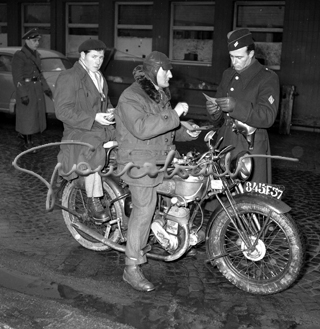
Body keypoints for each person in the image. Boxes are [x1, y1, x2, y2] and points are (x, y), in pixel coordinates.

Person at [115, 51, 201, 292]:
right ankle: (131, 268)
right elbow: (143, 128)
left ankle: (172, 235)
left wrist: (185, 131)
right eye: (167, 70)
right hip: (138, 162)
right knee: (144, 208)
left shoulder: (158, 94)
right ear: (154, 71)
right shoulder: (131, 96)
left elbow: (164, 129)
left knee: (187, 186)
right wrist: (175, 115)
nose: (171, 75)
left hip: (160, 159)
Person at [206, 28, 280, 185]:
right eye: (232, 57)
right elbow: (218, 121)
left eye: (239, 57)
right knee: (223, 201)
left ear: (251, 54)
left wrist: (236, 107)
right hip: (225, 144)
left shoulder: (267, 78)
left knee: (248, 200)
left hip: (249, 149)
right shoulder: (228, 74)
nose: (234, 62)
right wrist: (214, 112)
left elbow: (267, 117)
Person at [54, 39, 116, 221]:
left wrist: (111, 112)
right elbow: (62, 111)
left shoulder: (99, 77)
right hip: (78, 131)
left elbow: (105, 103)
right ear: (82, 56)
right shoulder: (69, 77)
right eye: (94, 57)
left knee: (128, 138)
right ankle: (93, 200)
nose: (98, 61)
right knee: (93, 148)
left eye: (101, 57)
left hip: (99, 127)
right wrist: (93, 117)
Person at [12, 28, 53, 150]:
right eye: (34, 41)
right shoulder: (20, 56)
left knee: (35, 115)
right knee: (27, 116)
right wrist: (23, 94)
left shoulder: (37, 55)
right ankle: (28, 143)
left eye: (38, 41)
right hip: (27, 89)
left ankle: (25, 135)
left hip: (37, 89)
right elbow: (17, 77)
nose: (37, 43)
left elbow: (39, 74)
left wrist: (46, 88)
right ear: (27, 41)